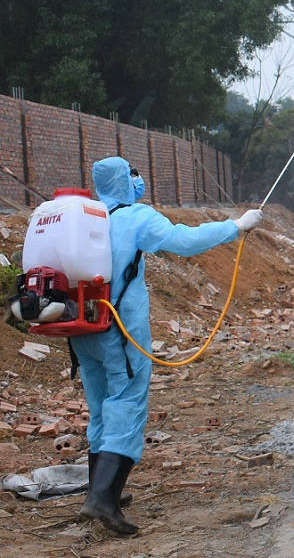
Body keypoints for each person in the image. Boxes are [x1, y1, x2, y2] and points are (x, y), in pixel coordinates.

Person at [74, 156, 263, 535]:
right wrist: (237, 226)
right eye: (132, 173)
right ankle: (103, 500)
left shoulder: (86, 217)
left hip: (81, 329)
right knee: (127, 402)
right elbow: (184, 240)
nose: (137, 179)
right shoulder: (135, 218)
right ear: (123, 181)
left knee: (100, 406)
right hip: (120, 331)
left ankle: (100, 489)